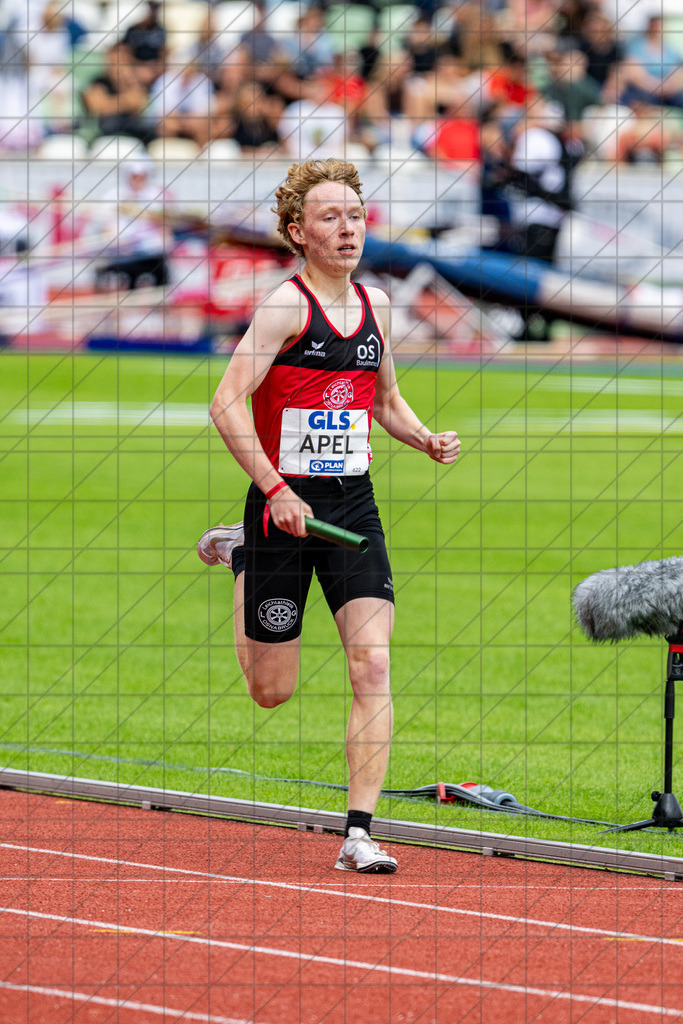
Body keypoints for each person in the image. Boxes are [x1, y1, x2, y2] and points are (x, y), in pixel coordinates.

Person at [196, 159, 460, 874]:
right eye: (329, 218)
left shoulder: (374, 304)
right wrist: (275, 490)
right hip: (282, 509)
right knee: (270, 692)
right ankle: (242, 554)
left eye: (355, 215)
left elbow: (382, 402)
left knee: (371, 662)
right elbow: (224, 403)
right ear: (297, 233)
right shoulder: (284, 307)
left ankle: (358, 832)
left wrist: (424, 436)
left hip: (351, 507)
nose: (347, 230)